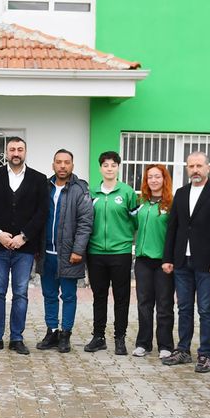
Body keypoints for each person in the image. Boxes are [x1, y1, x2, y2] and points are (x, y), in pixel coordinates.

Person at [161, 152, 210, 373]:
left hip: (207, 263)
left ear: (208, 168)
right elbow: (173, 227)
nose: (195, 169)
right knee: (184, 308)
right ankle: (183, 349)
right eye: (191, 166)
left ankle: (205, 353)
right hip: (181, 261)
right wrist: (168, 258)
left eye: (199, 165)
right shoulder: (181, 193)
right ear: (187, 168)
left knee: (205, 309)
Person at [0, 136, 49, 355]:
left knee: (20, 294)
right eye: (12, 149)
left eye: (20, 149)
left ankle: (17, 338)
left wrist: (24, 236)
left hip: (25, 249)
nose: (16, 153)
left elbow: (42, 212)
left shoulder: (38, 179)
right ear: (6, 152)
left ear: (25, 152)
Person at [37, 149, 92, 354]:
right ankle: (52, 331)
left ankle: (65, 334)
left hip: (69, 255)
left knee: (68, 296)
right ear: (53, 165)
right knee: (49, 294)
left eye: (66, 162)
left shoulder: (80, 189)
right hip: (46, 253)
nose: (62, 166)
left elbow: (85, 223)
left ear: (72, 165)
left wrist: (78, 250)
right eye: (58, 162)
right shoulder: (45, 187)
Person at [86, 151, 138, 355]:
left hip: (120, 252)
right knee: (99, 296)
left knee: (121, 297)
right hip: (95, 252)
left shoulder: (127, 192)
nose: (109, 168)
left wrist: (126, 240)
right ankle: (98, 337)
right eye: (105, 165)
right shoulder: (92, 192)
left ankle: (120, 338)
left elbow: (135, 221)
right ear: (100, 168)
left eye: (113, 165)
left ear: (118, 167)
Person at [132, 164, 174, 359]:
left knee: (164, 305)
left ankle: (165, 345)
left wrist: (170, 259)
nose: (154, 180)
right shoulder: (141, 203)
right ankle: (143, 343)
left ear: (164, 179)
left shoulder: (171, 204)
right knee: (144, 304)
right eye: (150, 177)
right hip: (143, 260)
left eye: (158, 176)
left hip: (163, 262)